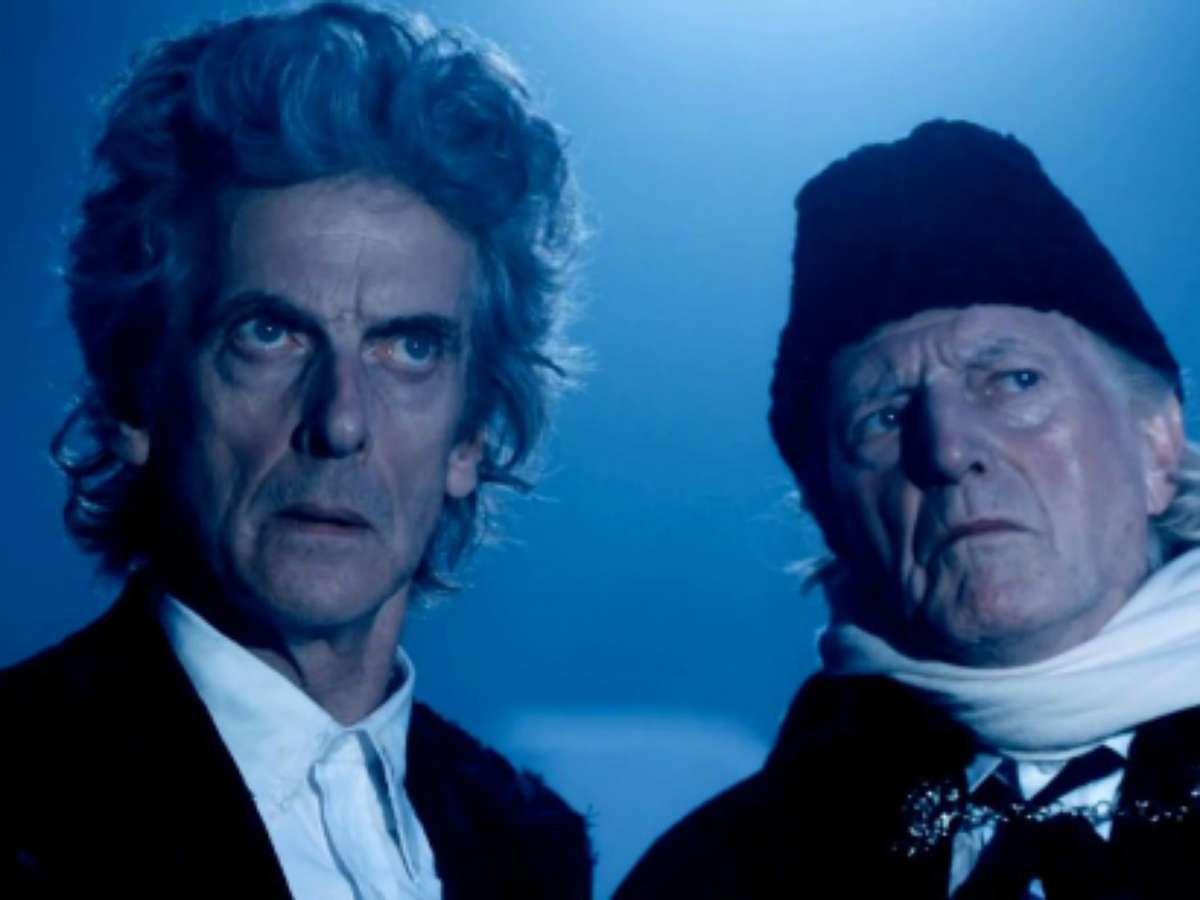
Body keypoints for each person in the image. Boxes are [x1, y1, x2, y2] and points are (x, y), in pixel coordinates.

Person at [0, 3, 591, 897]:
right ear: (135, 392)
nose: (340, 423)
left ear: (472, 434)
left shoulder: (528, 846)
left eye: (410, 348)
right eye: (269, 334)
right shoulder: (19, 801)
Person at [617, 119, 1200, 898]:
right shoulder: (720, 877)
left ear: (1157, 444)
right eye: (884, 417)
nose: (948, 450)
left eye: (1014, 381)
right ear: (831, 512)